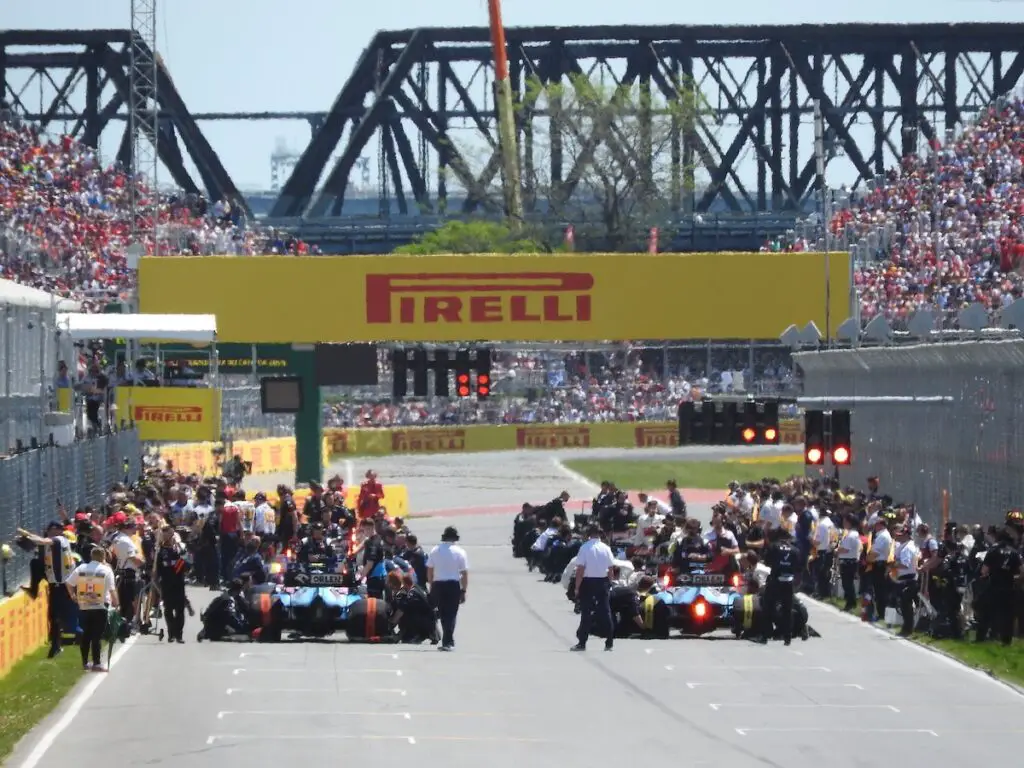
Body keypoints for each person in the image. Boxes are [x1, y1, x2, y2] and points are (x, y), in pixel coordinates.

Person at [17, 521, 76, 658]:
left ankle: (56, 646)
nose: (49, 531)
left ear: (58, 530)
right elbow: (41, 543)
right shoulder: (55, 542)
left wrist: (28, 537)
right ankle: (57, 645)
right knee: (35, 563)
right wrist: (28, 536)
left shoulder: (58, 540)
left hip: (61, 585)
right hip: (57, 583)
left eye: (51, 529)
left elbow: (42, 541)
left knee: (54, 616)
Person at [65, 547, 118, 671]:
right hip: (100, 605)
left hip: (84, 605)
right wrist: (116, 602)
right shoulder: (106, 570)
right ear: (103, 557)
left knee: (86, 635)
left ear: (91, 556)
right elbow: (112, 589)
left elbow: (68, 583)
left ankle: (85, 662)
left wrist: (73, 595)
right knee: (96, 635)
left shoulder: (81, 568)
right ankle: (97, 663)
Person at [571, 525, 615, 652]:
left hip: (588, 582)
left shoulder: (584, 548)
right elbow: (611, 569)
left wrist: (577, 587)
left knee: (586, 613)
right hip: (602, 581)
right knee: (606, 612)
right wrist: (609, 583)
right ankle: (609, 642)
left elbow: (580, 569)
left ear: (588, 534)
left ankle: (582, 642)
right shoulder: (606, 548)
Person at [977, 527, 1023, 645]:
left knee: (986, 613)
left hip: (994, 585)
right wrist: (1016, 578)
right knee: (1008, 616)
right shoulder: (1014, 553)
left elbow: (984, 570)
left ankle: (981, 638)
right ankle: (1006, 641)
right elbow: (1022, 570)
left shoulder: (993, 550)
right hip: (1009, 587)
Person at [427, 526, 469, 651]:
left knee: (443, 612)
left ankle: (447, 639)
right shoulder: (460, 552)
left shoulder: (435, 550)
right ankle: (448, 640)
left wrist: (431, 584)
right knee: (451, 613)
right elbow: (464, 573)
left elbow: (429, 569)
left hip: (438, 584)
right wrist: (464, 589)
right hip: (452, 584)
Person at [762, 527, 799, 645]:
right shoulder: (795, 550)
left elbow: (767, 561)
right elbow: (798, 566)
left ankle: (766, 635)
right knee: (787, 610)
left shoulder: (773, 547)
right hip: (788, 581)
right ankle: (787, 637)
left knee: (768, 606)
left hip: (775, 580)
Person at [153, 525, 188, 643]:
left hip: (179, 583)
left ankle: (179, 635)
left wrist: (179, 548)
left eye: (171, 534)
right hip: (167, 583)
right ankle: (171, 633)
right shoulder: (160, 551)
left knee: (180, 610)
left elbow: (187, 564)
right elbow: (157, 570)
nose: (169, 537)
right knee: (168, 610)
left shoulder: (179, 549)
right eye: (167, 535)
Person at [390, 571, 439, 644]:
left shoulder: (411, 594)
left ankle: (418, 634)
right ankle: (429, 633)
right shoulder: (417, 588)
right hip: (430, 619)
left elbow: (401, 611)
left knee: (407, 613)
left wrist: (390, 625)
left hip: (425, 621)